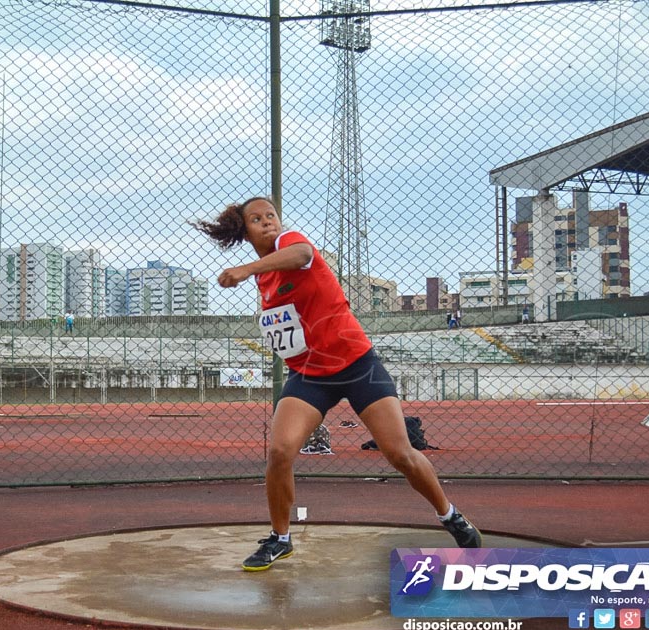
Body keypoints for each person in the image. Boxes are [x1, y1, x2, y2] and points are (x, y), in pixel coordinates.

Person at [194, 196, 481, 572]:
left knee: (400, 454)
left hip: (357, 365)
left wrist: (245, 269)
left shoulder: (288, 244)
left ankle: (450, 515)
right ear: (244, 229)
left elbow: (299, 256)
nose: (268, 222)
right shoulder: (265, 277)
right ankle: (281, 538)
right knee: (280, 452)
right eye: (256, 219)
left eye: (271, 215)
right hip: (311, 375)